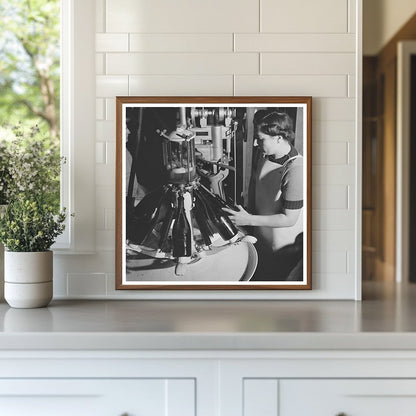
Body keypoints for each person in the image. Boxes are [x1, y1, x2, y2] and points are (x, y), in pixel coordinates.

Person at [223, 110, 304, 281]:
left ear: (279, 138)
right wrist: (247, 212)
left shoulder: (296, 169)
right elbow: (256, 182)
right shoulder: (265, 153)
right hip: (261, 233)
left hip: (281, 244)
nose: (256, 143)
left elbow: (289, 219)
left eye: (261, 138)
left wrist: (249, 219)